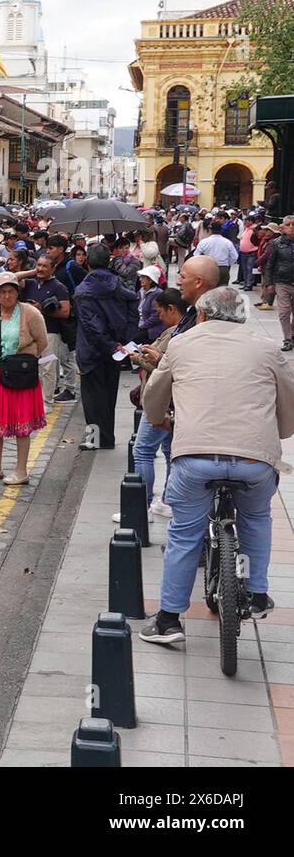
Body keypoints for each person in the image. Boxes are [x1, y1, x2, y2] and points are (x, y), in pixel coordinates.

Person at [139, 286, 294, 645]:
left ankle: (168, 620)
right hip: (254, 460)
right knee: (256, 519)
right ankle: (256, 594)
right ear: (244, 316)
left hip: (195, 458)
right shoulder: (268, 347)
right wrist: (279, 434)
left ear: (203, 315)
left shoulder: (181, 344)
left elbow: (154, 398)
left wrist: (161, 419)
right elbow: (288, 404)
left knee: (183, 534)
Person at [115, 288, 187, 525]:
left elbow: (168, 371)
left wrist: (141, 360)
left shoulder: (177, 335)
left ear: (171, 309)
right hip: (172, 402)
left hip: (161, 402)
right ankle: (167, 500)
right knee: (168, 452)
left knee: (143, 450)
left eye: (160, 312)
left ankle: (142, 506)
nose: (158, 317)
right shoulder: (176, 331)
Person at [0, 273, 47, 485]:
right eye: (2, 292)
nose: (7, 296)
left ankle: (21, 470)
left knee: (21, 424)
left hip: (20, 375)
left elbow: (42, 341)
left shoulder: (30, 313)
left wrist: (24, 358)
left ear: (18, 293)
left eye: (11, 291)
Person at [74, 244, 138, 450]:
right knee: (109, 394)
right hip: (116, 348)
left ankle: (94, 440)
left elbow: (91, 325)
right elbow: (133, 305)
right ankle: (107, 437)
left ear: (88, 262)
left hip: (93, 350)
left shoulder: (83, 290)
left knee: (92, 398)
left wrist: (110, 344)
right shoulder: (118, 284)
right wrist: (124, 338)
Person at [20, 255, 72, 407]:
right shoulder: (30, 283)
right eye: (39, 265)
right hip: (29, 334)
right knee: (31, 367)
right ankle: (32, 400)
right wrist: (31, 272)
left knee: (47, 367)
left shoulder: (59, 287)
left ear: (53, 268)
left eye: (44, 266)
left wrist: (41, 310)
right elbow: (11, 277)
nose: (41, 269)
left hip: (50, 333)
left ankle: (46, 401)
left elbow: (65, 312)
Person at [263, 216, 294, 351]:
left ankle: (292, 335)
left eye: (293, 224)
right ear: (282, 227)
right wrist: (269, 283)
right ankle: (287, 339)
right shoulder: (277, 243)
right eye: (288, 224)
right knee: (284, 312)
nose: (291, 227)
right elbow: (270, 264)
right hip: (282, 282)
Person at [134, 267, 165, 343]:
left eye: (143, 277)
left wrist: (141, 327)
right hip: (139, 326)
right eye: (140, 277)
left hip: (150, 330)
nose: (140, 279)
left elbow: (155, 316)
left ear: (151, 280)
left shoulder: (157, 294)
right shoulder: (141, 291)